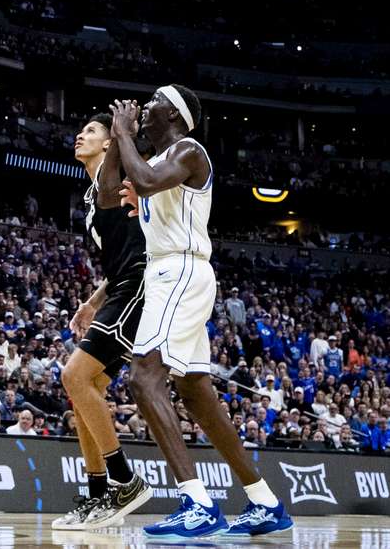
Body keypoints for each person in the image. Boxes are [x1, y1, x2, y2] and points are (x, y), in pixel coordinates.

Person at [113, 88, 292, 538]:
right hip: (170, 274)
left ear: (174, 113)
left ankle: (196, 501)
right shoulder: (155, 161)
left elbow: (147, 183)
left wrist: (122, 135)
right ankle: (264, 501)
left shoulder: (189, 151)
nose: (145, 104)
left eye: (154, 100)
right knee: (196, 393)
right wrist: (122, 144)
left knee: (142, 376)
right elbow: (116, 196)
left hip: (179, 272)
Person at [53, 114, 151, 530]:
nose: (80, 135)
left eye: (91, 131)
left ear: (109, 146)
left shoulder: (118, 173)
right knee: (85, 388)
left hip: (140, 285)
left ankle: (126, 481)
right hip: (120, 286)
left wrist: (122, 126)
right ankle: (98, 497)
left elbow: (133, 255)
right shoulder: (92, 194)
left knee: (74, 376)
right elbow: (116, 258)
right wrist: (93, 300)